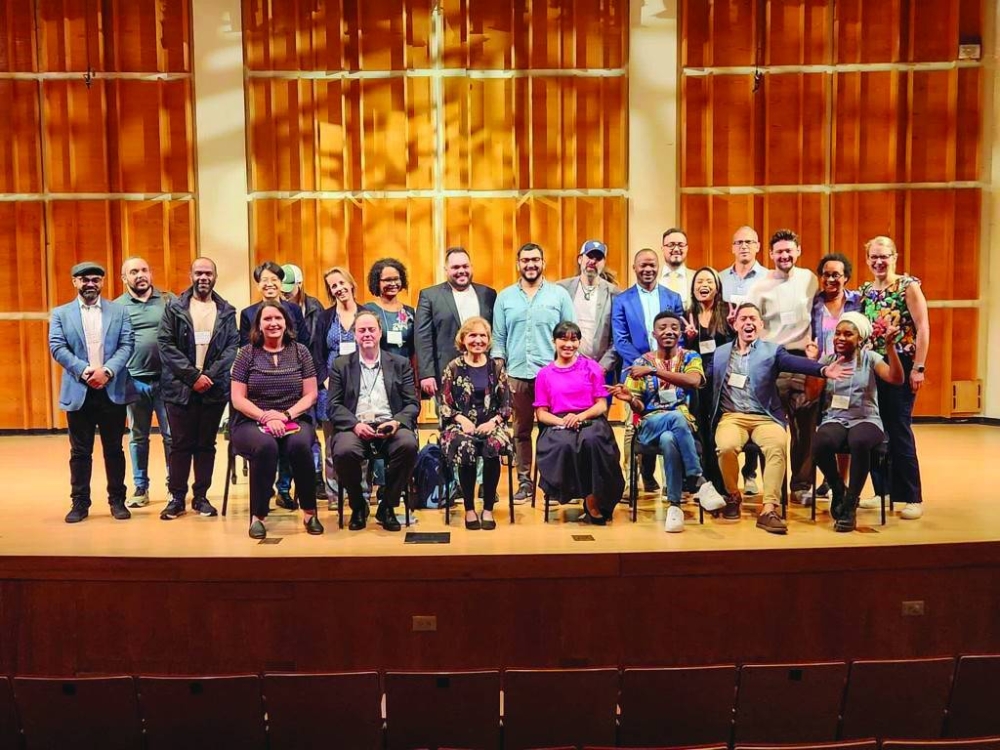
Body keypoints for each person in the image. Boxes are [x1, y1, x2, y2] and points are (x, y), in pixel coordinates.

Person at [711, 303, 847, 534]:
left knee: (776, 446)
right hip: (732, 416)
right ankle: (733, 495)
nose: (749, 323)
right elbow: (702, 377)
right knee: (726, 447)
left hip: (765, 417)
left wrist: (822, 370)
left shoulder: (772, 351)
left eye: (753, 319)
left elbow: (795, 363)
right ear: (735, 324)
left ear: (761, 325)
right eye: (743, 318)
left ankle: (769, 509)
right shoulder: (720, 353)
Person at [612, 312, 727, 532]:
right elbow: (640, 408)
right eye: (663, 327)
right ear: (654, 333)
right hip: (648, 424)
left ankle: (674, 507)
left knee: (668, 439)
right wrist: (630, 399)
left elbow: (694, 381)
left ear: (681, 332)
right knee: (674, 418)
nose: (669, 331)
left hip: (680, 428)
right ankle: (697, 479)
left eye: (674, 327)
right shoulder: (641, 362)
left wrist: (655, 371)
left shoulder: (690, 357)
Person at [49, 262, 137, 523]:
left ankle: (117, 501)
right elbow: (57, 346)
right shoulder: (61, 314)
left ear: (102, 283)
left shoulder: (119, 312)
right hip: (79, 390)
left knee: (114, 449)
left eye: (96, 280)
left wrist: (107, 371)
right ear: (75, 282)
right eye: (85, 279)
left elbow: (127, 343)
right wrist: (86, 370)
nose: (90, 284)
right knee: (79, 452)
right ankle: (80, 503)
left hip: (112, 389)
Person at [229, 302, 322, 539]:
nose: (273, 324)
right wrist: (265, 417)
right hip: (251, 421)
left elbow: (311, 394)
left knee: (300, 445)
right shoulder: (246, 354)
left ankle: (310, 512)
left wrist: (286, 415)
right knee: (265, 446)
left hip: (294, 417)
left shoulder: (301, 351)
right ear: (258, 325)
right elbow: (238, 399)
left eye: (278, 319)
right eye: (267, 319)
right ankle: (258, 517)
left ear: (286, 323)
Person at [491, 242, 576, 503]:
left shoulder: (559, 295)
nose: (531, 264)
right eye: (525, 260)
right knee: (521, 431)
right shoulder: (505, 297)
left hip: (552, 377)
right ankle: (525, 482)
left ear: (543, 262)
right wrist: (499, 373)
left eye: (535, 260)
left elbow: (569, 334)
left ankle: (554, 483)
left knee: (555, 430)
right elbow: (499, 338)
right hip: (517, 375)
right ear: (518, 263)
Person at [157, 257, 239, 520]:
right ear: (191, 275)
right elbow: (165, 344)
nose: (203, 278)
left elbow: (231, 348)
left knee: (206, 445)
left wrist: (209, 377)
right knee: (180, 445)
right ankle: (176, 498)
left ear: (215, 277)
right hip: (179, 389)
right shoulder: (174, 307)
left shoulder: (226, 311)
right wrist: (193, 376)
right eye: (198, 273)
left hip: (213, 390)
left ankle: (201, 497)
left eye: (208, 273)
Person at [858, 236, 930, 520]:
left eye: (884, 256)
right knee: (877, 429)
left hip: (902, 364)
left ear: (894, 257)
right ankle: (882, 492)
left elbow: (923, 327)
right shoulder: (865, 290)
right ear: (867, 260)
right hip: (874, 365)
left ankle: (912, 496)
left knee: (899, 429)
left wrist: (919, 367)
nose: (879, 262)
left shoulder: (908, 286)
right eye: (873, 257)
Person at [747, 229, 821, 505]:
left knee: (805, 427)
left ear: (798, 251)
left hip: (803, 360)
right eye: (779, 251)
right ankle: (774, 487)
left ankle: (802, 485)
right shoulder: (759, 287)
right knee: (774, 429)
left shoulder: (809, 279)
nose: (785, 255)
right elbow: (751, 325)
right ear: (770, 255)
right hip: (772, 361)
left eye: (789, 250)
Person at [328, 310, 420, 532]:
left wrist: (397, 422)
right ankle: (359, 506)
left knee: (408, 445)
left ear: (380, 333)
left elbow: (412, 404)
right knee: (344, 451)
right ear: (355, 335)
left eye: (371, 329)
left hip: (390, 424)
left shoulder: (399, 363)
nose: (367, 334)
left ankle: (387, 505)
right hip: (355, 425)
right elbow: (333, 405)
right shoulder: (341, 365)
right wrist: (354, 425)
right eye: (362, 330)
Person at [813, 312, 904, 532]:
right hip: (835, 417)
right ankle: (838, 488)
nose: (840, 338)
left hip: (866, 418)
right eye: (837, 334)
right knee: (819, 443)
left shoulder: (870, 358)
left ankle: (851, 504)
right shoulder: (828, 360)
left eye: (848, 334)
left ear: (860, 339)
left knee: (859, 441)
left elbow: (896, 378)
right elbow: (810, 394)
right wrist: (815, 364)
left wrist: (890, 348)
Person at [534, 322, 625, 524]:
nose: (568, 344)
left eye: (573, 339)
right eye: (563, 339)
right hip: (558, 422)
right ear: (554, 341)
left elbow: (601, 405)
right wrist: (563, 421)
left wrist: (580, 417)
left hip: (589, 417)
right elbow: (541, 413)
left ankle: (593, 500)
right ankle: (573, 492)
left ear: (579, 342)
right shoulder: (544, 374)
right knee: (565, 445)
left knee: (592, 441)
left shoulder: (591, 367)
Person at [611, 247, 684, 492]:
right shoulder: (622, 300)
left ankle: (664, 482)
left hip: (670, 371)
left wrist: (665, 366)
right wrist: (648, 365)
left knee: (665, 418)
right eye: (643, 265)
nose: (648, 269)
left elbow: (679, 335)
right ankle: (630, 480)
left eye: (652, 264)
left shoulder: (672, 298)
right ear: (634, 268)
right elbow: (620, 340)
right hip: (634, 371)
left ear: (659, 266)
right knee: (634, 424)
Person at [439, 317, 513, 530]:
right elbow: (444, 405)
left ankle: (488, 508)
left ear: (488, 340)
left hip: (492, 423)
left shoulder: (496, 367)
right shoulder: (453, 367)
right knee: (466, 447)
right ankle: (470, 508)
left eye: (482, 335)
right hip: (460, 425)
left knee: (492, 446)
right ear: (463, 339)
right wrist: (461, 419)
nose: (478, 340)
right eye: (472, 335)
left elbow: (506, 405)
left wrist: (494, 422)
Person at [116, 257, 172, 507]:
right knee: (138, 437)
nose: (140, 275)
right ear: (124, 278)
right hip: (134, 381)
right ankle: (141, 487)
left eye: (144, 270)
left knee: (172, 436)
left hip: (167, 381)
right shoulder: (116, 307)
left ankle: (175, 486)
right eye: (134, 271)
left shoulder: (168, 301)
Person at [810, 252, 863, 499]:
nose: (831, 279)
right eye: (826, 274)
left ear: (846, 277)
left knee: (845, 422)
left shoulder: (857, 302)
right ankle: (829, 478)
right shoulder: (814, 304)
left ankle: (841, 480)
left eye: (836, 275)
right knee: (825, 424)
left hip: (851, 370)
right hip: (822, 370)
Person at [415, 247, 497, 398]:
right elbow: (423, 338)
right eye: (455, 267)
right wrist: (426, 374)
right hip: (446, 372)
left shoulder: (488, 294)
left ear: (471, 267)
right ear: (446, 270)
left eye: (465, 266)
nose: (461, 271)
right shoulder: (430, 296)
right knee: (450, 418)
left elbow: (495, 332)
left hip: (484, 372)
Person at [682, 267, 735, 493]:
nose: (703, 285)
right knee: (699, 429)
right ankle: (700, 479)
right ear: (693, 288)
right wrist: (689, 339)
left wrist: (733, 328)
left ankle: (721, 481)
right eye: (699, 281)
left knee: (718, 430)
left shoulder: (727, 311)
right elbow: (682, 350)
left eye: (709, 281)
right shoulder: (688, 315)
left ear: (717, 287)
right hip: (696, 381)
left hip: (721, 381)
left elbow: (736, 344)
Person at [279, 263, 328, 502]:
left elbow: (317, 344)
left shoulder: (315, 307)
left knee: (314, 428)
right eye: (282, 287)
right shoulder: (276, 309)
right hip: (287, 379)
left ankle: (316, 476)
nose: (286, 292)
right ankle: (293, 482)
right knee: (294, 430)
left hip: (312, 376)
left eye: (290, 287)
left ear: (300, 284)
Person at [316, 266, 361, 505]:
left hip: (361, 388)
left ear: (351, 283)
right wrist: (324, 378)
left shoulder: (366, 313)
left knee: (360, 440)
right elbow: (317, 353)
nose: (339, 288)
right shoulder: (325, 318)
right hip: (330, 390)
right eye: (334, 286)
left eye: (342, 283)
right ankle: (334, 494)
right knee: (332, 443)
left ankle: (361, 491)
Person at [557, 240, 620, 383]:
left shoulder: (614, 294)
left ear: (603, 263)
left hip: (601, 371)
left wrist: (602, 367)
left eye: (598, 258)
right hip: (567, 367)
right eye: (589, 256)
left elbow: (618, 337)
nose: (593, 261)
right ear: (580, 259)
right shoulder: (561, 289)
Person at [238, 261, 310, 348]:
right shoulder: (247, 313)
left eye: (274, 279)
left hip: (292, 360)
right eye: (264, 280)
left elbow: (304, 342)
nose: (269, 284)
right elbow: (245, 349)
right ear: (258, 285)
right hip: (259, 361)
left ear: (281, 283)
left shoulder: (295, 310)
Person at [364, 258, 416, 360]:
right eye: (387, 280)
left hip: (405, 372)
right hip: (378, 370)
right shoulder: (367, 310)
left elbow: (414, 349)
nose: (393, 284)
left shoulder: (410, 312)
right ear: (377, 282)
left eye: (396, 279)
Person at [720, 225, 766, 305]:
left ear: (757, 247)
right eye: (739, 242)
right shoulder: (720, 278)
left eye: (748, 242)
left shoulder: (769, 278)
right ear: (733, 248)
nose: (744, 246)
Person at [660, 227, 692, 311]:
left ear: (687, 248)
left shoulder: (696, 278)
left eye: (681, 245)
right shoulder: (652, 279)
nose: (676, 249)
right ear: (662, 248)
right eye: (671, 245)